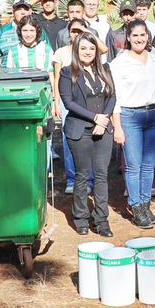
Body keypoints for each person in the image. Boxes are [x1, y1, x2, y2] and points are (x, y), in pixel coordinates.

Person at [111, 20, 155, 229]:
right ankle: (135, 206)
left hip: (153, 115)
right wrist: (117, 126)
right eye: (135, 36)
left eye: (142, 35)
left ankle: (145, 204)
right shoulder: (119, 63)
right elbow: (114, 96)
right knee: (133, 165)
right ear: (128, 37)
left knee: (149, 164)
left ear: (147, 36)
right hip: (130, 116)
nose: (139, 39)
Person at [60, 33, 116, 237]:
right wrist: (95, 118)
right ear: (76, 50)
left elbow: (112, 96)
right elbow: (69, 103)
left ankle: (101, 220)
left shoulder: (105, 69)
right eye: (83, 48)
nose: (87, 52)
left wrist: (105, 119)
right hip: (80, 130)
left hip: (103, 130)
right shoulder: (68, 73)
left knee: (101, 176)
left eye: (91, 48)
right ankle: (81, 218)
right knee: (82, 176)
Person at [52, 18, 94, 195]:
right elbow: (56, 79)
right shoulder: (61, 52)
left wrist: (88, 34)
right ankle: (71, 178)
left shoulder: (90, 50)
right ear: (68, 33)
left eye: (80, 31)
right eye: (73, 31)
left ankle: (89, 180)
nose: (76, 34)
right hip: (66, 101)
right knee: (69, 142)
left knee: (90, 143)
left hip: (89, 103)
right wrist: (56, 102)